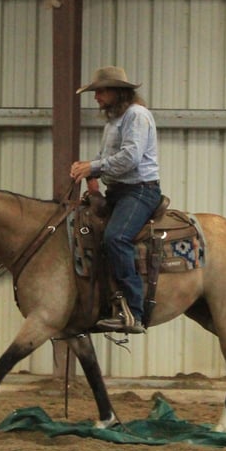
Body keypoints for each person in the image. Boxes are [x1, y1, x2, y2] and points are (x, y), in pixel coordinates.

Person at [70, 66, 161, 334]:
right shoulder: (113, 121)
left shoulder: (136, 116)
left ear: (117, 91)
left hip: (140, 191)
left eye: (100, 91)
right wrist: (91, 178)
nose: (96, 97)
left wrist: (93, 167)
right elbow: (104, 159)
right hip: (119, 192)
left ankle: (133, 311)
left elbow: (131, 157)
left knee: (115, 238)